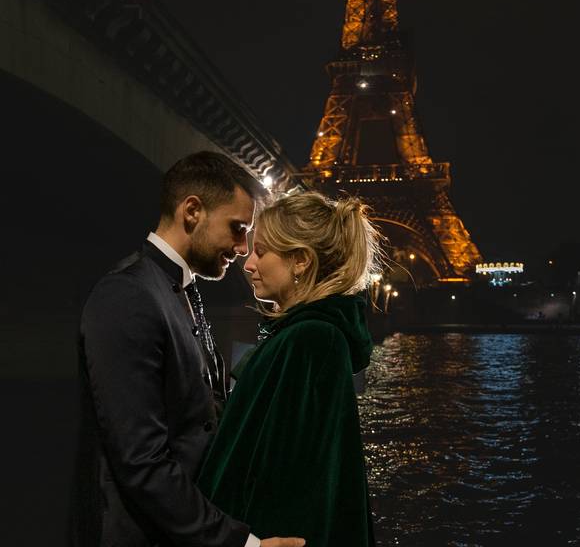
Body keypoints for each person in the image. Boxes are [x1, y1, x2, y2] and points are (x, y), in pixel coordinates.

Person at [73, 151, 305, 547]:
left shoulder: (175, 291)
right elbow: (142, 462)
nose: (242, 247)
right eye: (237, 228)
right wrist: (242, 544)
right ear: (192, 211)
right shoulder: (127, 296)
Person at [198, 191, 381, 546]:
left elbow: (285, 478)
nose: (247, 264)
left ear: (300, 261)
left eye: (261, 252)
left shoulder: (308, 340)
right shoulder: (310, 336)